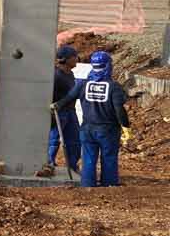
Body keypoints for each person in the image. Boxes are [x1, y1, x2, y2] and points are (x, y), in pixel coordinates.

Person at [56, 48, 129, 187]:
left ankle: (88, 183)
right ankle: (109, 184)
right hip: (108, 129)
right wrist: (126, 127)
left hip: (87, 129)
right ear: (108, 66)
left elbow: (68, 98)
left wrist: (56, 105)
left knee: (88, 157)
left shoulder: (82, 84)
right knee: (108, 157)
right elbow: (119, 110)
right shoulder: (114, 87)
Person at [44, 45, 81, 178]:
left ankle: (72, 165)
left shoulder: (69, 73)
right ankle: (48, 164)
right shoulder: (56, 75)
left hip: (70, 112)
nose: (77, 59)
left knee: (75, 140)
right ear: (66, 59)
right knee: (54, 140)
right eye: (74, 57)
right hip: (59, 113)